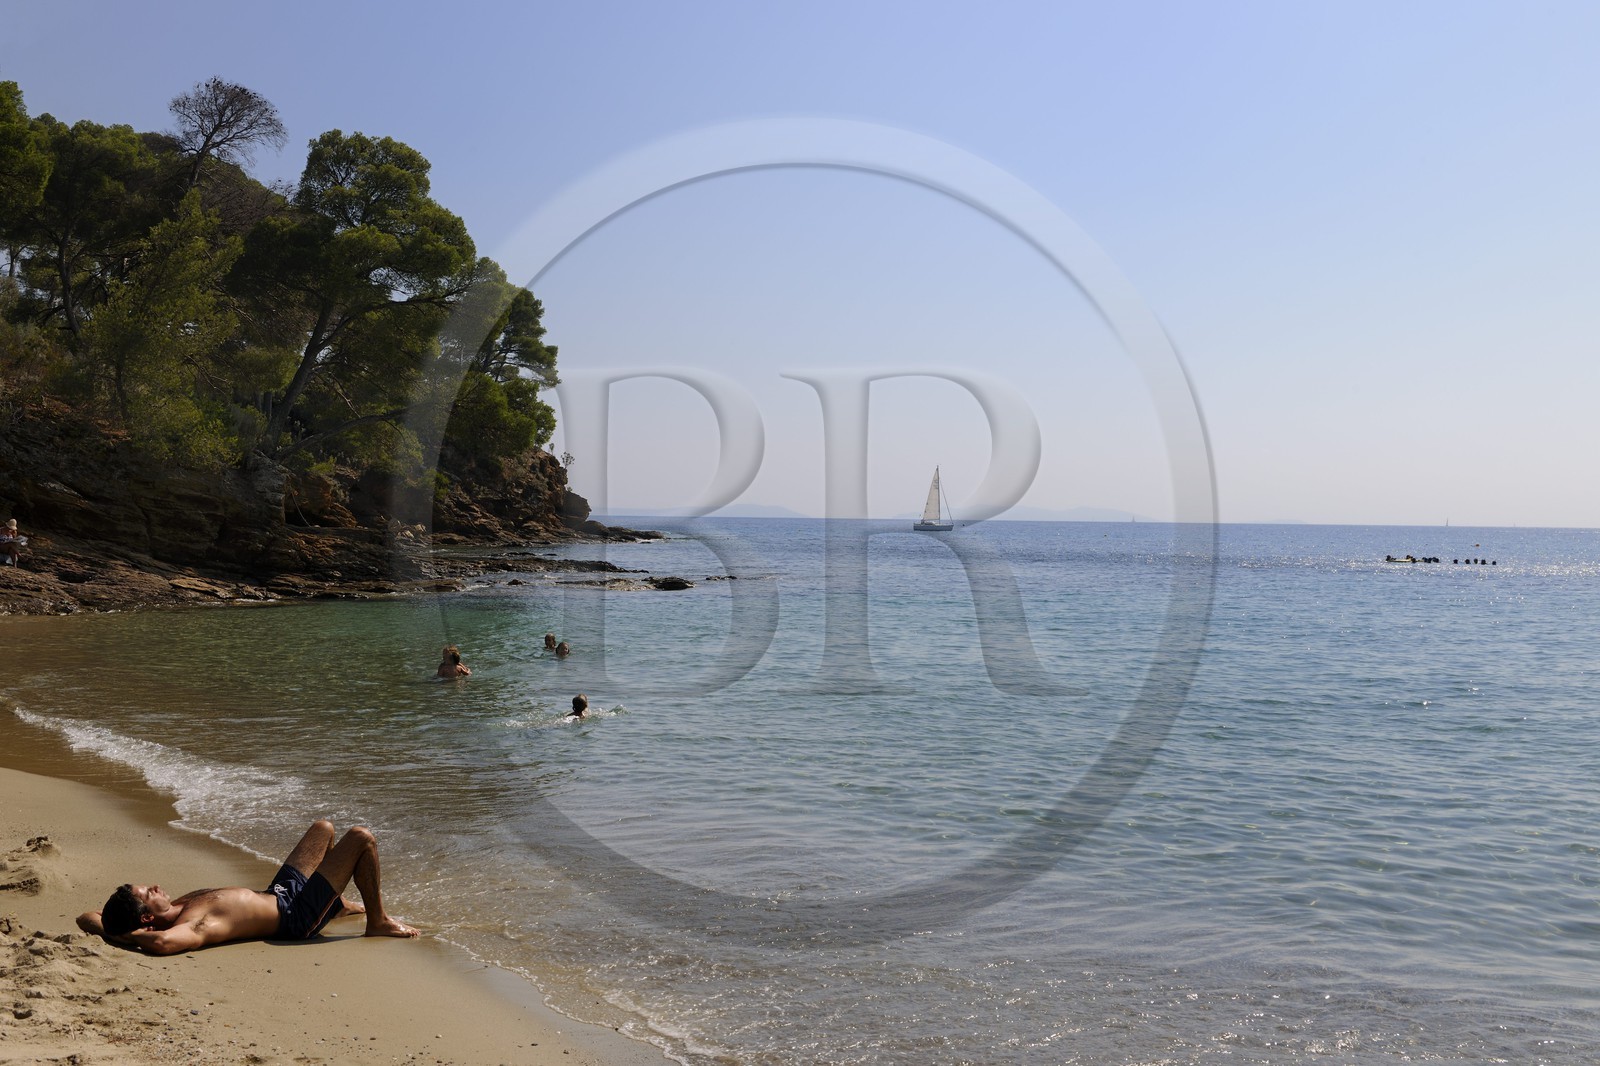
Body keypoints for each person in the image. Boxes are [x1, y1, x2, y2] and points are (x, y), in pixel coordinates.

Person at [76, 820, 418, 955]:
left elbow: (86, 917)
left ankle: (335, 904)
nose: (154, 887)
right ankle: (378, 920)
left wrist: (115, 932)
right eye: (147, 894)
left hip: (280, 892)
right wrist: (130, 937)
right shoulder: (191, 925)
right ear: (147, 921)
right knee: (361, 838)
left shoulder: (177, 906)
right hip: (294, 917)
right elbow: (163, 944)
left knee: (323, 828)